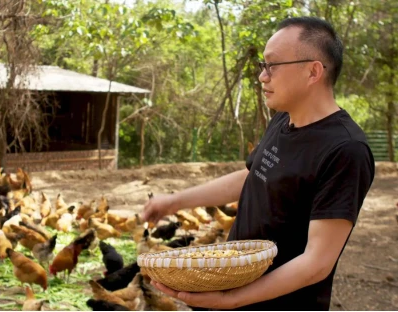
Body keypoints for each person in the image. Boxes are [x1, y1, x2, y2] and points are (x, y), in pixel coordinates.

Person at [141, 16, 375, 311]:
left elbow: (317, 262)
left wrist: (232, 300)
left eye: (272, 66)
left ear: (313, 71)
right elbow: (253, 177)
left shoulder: (346, 150)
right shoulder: (283, 119)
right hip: (232, 287)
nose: (262, 76)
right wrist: (174, 202)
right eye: (263, 67)